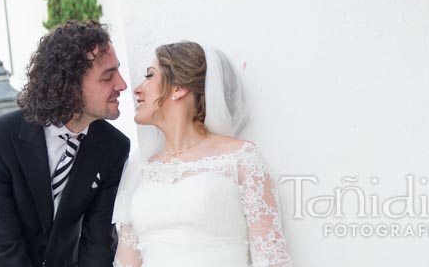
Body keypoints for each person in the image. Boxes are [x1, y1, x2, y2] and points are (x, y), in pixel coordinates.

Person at [0, 21, 131, 267]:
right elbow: (4, 248)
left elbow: (98, 243)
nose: (122, 85)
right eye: (107, 77)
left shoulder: (114, 147)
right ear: (69, 86)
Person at [112, 42, 293, 267]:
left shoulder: (240, 158)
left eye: (150, 76)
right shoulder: (139, 168)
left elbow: (271, 259)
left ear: (178, 88)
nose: (137, 88)